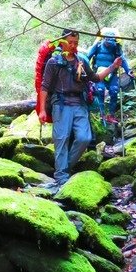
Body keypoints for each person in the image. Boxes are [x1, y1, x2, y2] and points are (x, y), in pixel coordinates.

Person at [38, 28, 122, 187]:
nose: (72, 45)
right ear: (62, 42)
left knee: (84, 138)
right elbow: (45, 87)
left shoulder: (81, 60)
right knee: (61, 140)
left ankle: (64, 169)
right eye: (70, 42)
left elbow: (96, 78)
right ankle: (61, 178)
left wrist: (112, 66)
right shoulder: (53, 62)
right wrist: (42, 110)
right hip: (61, 104)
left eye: (75, 43)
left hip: (79, 104)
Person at [87, 28, 134, 124]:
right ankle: (102, 114)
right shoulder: (98, 46)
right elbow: (87, 58)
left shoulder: (116, 47)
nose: (109, 42)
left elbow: (122, 60)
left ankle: (111, 115)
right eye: (107, 39)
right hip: (99, 74)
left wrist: (128, 71)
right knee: (100, 90)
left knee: (114, 91)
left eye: (111, 40)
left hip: (112, 74)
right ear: (103, 38)